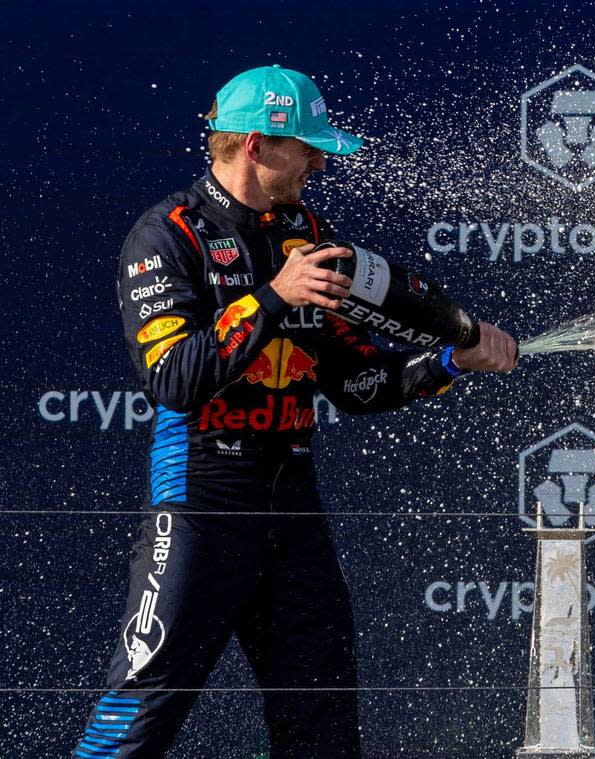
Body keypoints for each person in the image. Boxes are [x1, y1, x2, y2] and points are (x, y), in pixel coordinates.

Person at [73, 65, 517, 759]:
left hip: (294, 514)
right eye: (305, 146)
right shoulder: (168, 235)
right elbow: (173, 377)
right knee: (134, 719)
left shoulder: (307, 232)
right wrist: (273, 297)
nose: (317, 160)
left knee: (324, 732)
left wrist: (451, 363)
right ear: (254, 145)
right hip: (201, 510)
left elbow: (355, 380)